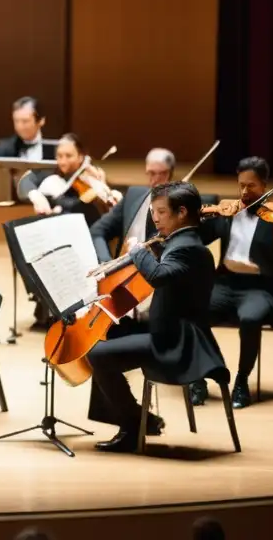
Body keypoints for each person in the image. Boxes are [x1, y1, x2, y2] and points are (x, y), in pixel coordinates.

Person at [88, 181, 225, 453]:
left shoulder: (188, 248)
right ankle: (134, 419)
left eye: (161, 212)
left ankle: (134, 424)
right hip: (166, 330)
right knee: (104, 335)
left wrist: (137, 250)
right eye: (153, 211)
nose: (155, 218)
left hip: (176, 343)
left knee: (97, 354)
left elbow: (159, 276)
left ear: (182, 212)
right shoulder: (178, 241)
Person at [190, 157, 273, 409]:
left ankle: (241, 382)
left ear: (264, 185)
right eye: (241, 185)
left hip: (261, 288)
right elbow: (198, 235)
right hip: (226, 282)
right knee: (193, 311)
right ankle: (204, 376)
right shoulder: (229, 212)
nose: (244, 192)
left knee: (250, 318)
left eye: (251, 186)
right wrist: (205, 212)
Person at [85, 148, 175, 431]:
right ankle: (123, 415)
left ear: (170, 175)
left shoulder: (177, 209)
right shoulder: (134, 196)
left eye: (160, 174)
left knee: (101, 348)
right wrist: (105, 262)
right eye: (150, 172)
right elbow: (98, 230)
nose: (154, 179)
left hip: (152, 297)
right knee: (96, 339)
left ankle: (131, 419)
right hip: (121, 289)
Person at [21, 133, 119, 328]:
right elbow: (26, 182)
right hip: (61, 236)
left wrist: (106, 190)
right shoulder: (52, 179)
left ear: (82, 156)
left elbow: (106, 208)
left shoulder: (91, 177)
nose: (63, 160)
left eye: (69, 155)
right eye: (60, 155)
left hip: (89, 235)